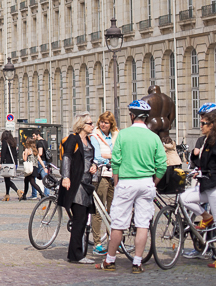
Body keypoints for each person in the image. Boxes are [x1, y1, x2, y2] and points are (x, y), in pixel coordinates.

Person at [97, 100, 166, 274]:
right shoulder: (154, 137)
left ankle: (110, 260)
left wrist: (117, 180)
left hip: (127, 182)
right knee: (143, 224)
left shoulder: (123, 135)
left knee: (118, 224)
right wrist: (154, 182)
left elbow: (116, 161)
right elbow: (162, 165)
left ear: (132, 116)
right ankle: (137, 262)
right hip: (146, 182)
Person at [180, 107, 216, 269]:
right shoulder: (207, 141)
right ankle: (206, 216)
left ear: (212, 125)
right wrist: (195, 158)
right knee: (184, 197)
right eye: (201, 123)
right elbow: (204, 163)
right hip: (208, 186)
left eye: (204, 123)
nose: (201, 126)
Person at [58, 112, 99, 264]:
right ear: (82, 125)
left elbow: (91, 160)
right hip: (76, 185)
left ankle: (76, 253)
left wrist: (94, 166)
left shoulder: (89, 141)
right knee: (79, 219)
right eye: (90, 123)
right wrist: (66, 177)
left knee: (82, 220)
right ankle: (77, 255)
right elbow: (67, 157)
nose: (92, 125)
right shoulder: (73, 139)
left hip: (87, 184)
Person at [90, 111, 119, 254]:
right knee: (99, 210)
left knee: (112, 210)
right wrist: (110, 158)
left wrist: (110, 157)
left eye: (106, 122)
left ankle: (113, 241)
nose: (103, 124)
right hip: (102, 175)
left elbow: (119, 153)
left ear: (111, 124)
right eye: (101, 121)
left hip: (114, 174)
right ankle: (97, 243)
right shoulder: (96, 135)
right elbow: (98, 156)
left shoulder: (115, 135)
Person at [0, 130, 21, 201]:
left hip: (7, 163)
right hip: (13, 162)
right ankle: (7, 195)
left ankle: (17, 191)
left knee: (7, 180)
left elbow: (3, 153)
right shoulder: (13, 142)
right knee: (7, 179)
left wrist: (1, 162)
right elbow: (15, 154)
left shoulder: (5, 142)